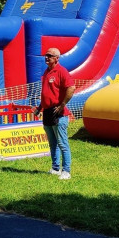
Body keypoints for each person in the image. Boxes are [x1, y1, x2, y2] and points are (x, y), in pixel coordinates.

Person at [34, 48, 76, 179]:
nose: (46, 58)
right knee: (53, 143)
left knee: (62, 143)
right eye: (46, 55)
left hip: (59, 113)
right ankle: (55, 168)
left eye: (50, 56)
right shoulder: (47, 72)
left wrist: (62, 104)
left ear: (57, 58)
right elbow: (45, 94)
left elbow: (71, 88)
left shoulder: (62, 71)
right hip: (47, 112)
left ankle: (67, 171)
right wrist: (39, 108)